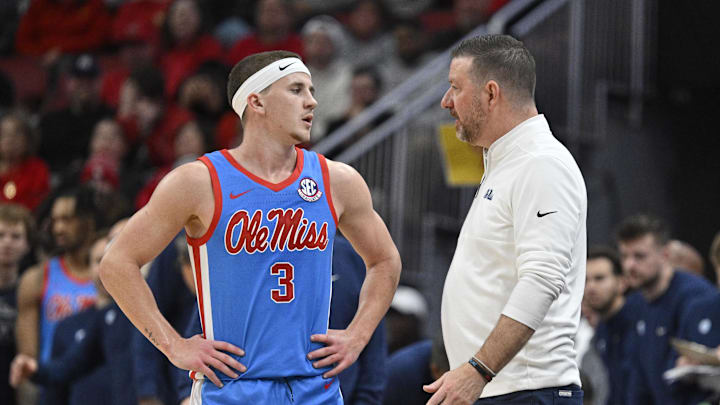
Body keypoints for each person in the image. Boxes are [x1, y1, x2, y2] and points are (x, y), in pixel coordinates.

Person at [99, 50, 401, 404]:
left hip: (314, 389)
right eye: (296, 90)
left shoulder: (337, 180)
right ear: (256, 102)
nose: (312, 102)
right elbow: (116, 264)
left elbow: (385, 261)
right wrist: (173, 346)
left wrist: (358, 335)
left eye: (312, 90)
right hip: (232, 390)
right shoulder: (198, 182)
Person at [427, 34, 587, 404]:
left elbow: (543, 278)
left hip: (526, 391)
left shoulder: (541, 163)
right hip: (504, 389)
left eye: (455, 88)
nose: (445, 101)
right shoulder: (509, 162)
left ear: (491, 93)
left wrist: (478, 369)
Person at [616, 214, 716, 405]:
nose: (629, 265)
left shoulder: (696, 297)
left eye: (639, 256)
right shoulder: (636, 304)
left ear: (665, 255)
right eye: (624, 256)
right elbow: (638, 380)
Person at [584, 246, 642, 405]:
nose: (590, 287)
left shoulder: (641, 321)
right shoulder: (600, 332)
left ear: (622, 282)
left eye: (599, 278)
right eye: (585, 280)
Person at [0, 203, 34, 405]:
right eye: (1, 234)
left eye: (16, 236)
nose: (7, 243)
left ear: (28, 244)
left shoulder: (31, 290)